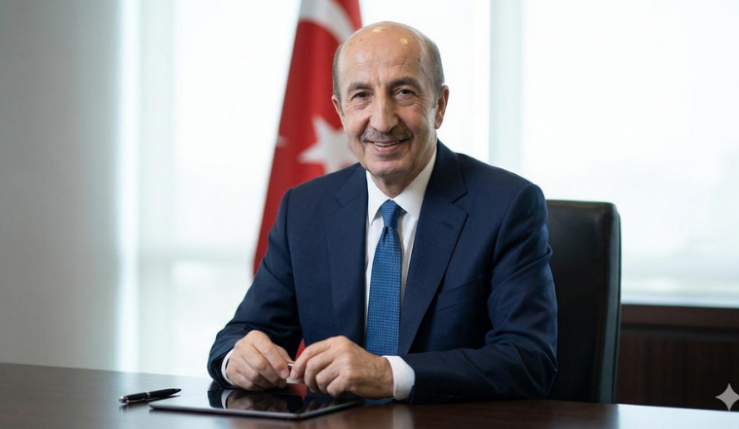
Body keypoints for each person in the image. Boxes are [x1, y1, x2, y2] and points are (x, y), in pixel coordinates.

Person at [208, 21, 557, 404]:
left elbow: (528, 360)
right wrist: (237, 359)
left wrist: (387, 374)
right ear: (340, 112)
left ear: (439, 106)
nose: (382, 120)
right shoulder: (304, 209)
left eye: (403, 92)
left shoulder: (507, 206)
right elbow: (241, 334)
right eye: (361, 96)